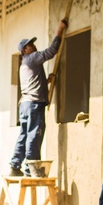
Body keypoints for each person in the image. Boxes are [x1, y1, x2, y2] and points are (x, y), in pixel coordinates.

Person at [8, 19, 68, 177]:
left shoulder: (25, 64)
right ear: (25, 50)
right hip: (34, 105)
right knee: (34, 135)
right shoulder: (32, 58)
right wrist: (59, 30)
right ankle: (31, 170)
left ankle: (15, 166)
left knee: (24, 135)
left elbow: (33, 82)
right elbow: (51, 51)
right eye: (30, 45)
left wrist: (45, 81)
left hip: (26, 105)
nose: (33, 46)